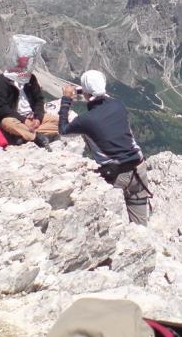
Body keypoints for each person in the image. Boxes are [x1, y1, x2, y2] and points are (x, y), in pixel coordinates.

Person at [58, 70, 152, 225]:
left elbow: (63, 130)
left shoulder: (86, 120)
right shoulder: (118, 105)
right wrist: (85, 90)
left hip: (115, 175)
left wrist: (66, 100)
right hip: (139, 169)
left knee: (106, 223)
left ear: (86, 93)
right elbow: (103, 97)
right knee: (140, 227)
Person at [0, 34, 58, 149]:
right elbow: (2, 109)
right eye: (23, 61)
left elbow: (39, 99)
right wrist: (23, 120)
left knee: (61, 121)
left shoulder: (30, 78)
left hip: (32, 117)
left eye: (27, 61)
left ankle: (24, 136)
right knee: (7, 123)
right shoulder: (3, 81)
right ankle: (36, 136)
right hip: (15, 119)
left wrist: (38, 117)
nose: (25, 64)